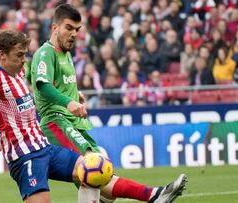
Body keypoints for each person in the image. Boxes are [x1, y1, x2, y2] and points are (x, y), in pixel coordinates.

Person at [30, 4, 187, 203]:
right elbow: (42, 85)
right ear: (54, 28)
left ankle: (152, 196)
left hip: (72, 122)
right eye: (68, 28)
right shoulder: (46, 53)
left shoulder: (66, 54)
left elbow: (42, 80)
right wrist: (68, 101)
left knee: (100, 176)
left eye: (77, 30)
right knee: (92, 168)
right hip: (56, 122)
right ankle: (153, 195)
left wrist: (73, 93)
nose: (73, 34)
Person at [0, 29, 108, 203]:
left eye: (25, 54)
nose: (24, 60)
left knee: (90, 172)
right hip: (25, 157)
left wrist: (72, 96)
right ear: (2, 55)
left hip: (45, 147)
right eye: (19, 55)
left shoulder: (18, 72)